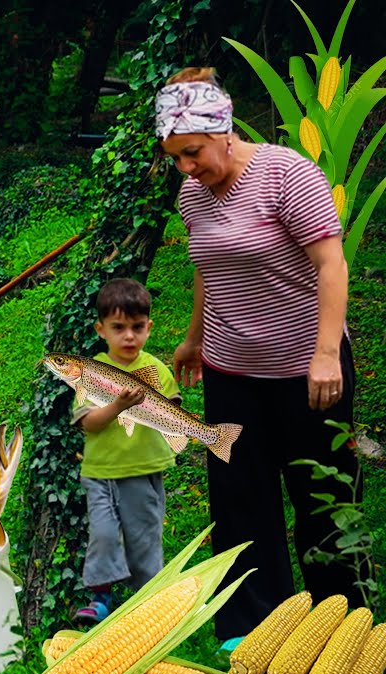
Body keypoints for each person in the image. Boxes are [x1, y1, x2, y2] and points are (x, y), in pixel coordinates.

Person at [157, 67, 364, 644]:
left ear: (223, 131)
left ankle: (340, 623)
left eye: (193, 152)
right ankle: (254, 625)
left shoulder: (286, 175)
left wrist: (326, 354)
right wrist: (195, 337)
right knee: (240, 499)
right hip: (230, 370)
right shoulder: (192, 195)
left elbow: (332, 265)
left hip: (306, 368)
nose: (186, 167)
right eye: (175, 157)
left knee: (322, 494)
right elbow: (209, 268)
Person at [71, 279, 180, 624]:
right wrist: (118, 405)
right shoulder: (92, 373)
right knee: (103, 535)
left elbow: (173, 413)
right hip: (100, 471)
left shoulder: (156, 370)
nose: (129, 336)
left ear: (149, 327)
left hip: (143, 468)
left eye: (137, 327)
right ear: (101, 330)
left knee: (143, 538)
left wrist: (175, 419)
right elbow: (89, 423)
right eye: (118, 328)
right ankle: (101, 598)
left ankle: (149, 603)